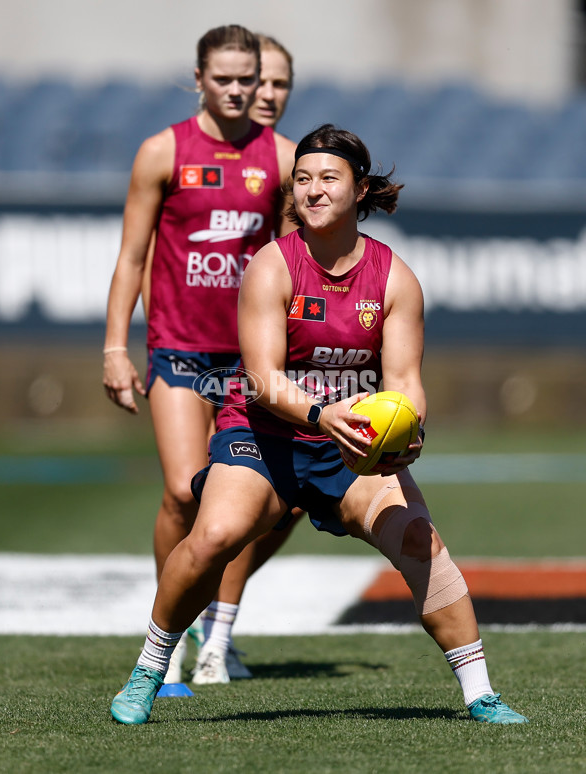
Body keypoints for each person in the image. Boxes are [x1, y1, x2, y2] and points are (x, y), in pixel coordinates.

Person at [110, 124, 529, 726]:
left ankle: (481, 694)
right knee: (214, 538)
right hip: (265, 435)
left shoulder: (395, 278)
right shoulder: (270, 267)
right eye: (302, 179)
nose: (312, 189)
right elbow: (261, 376)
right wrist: (321, 413)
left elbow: (406, 380)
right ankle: (150, 669)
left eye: (328, 178)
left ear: (361, 189)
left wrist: (408, 430)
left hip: (349, 447)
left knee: (420, 543)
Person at [102, 24, 296, 693]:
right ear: (199, 79)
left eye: (250, 78)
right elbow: (131, 258)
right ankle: (174, 633)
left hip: (252, 363)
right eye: (226, 78)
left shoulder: (283, 159)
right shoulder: (162, 152)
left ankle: (216, 633)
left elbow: (298, 263)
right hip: (179, 351)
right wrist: (113, 348)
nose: (240, 90)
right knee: (184, 494)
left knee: (236, 500)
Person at [188, 32, 301, 686]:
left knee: (282, 505)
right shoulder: (200, 153)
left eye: (280, 85)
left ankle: (214, 622)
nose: (266, 95)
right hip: (206, 350)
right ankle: (199, 635)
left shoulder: (293, 165)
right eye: (260, 82)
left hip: (266, 358)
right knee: (210, 499)